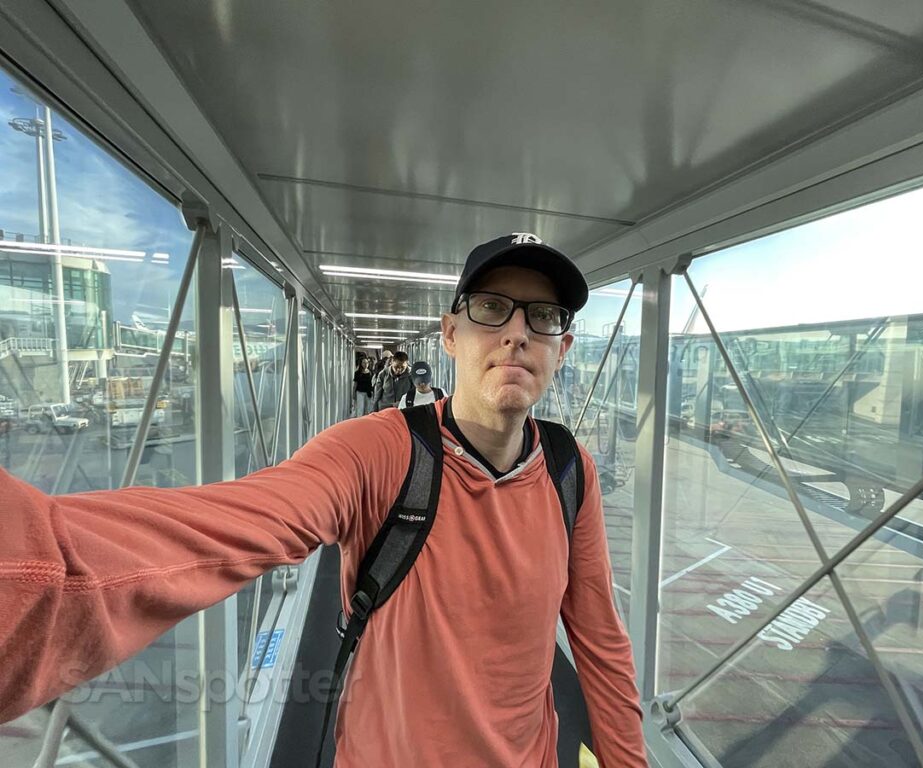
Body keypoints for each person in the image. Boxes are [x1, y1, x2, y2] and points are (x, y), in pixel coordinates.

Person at [0, 233, 647, 767]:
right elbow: (241, 521)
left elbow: (601, 643)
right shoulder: (379, 453)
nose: (517, 333)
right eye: (491, 308)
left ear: (562, 347)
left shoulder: (569, 471)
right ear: (449, 333)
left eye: (544, 316)